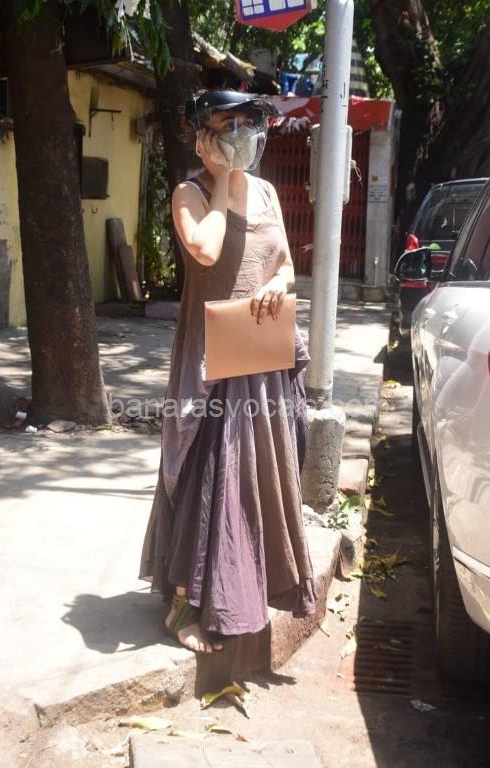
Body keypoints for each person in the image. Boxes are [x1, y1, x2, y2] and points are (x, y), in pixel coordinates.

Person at [139, 90, 316, 654]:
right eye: (227, 124)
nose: (240, 132)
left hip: (259, 355)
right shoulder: (189, 194)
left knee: (253, 479)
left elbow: (286, 265)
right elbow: (207, 251)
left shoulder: (267, 192)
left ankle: (238, 594)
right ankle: (183, 607)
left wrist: (275, 285)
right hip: (210, 362)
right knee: (206, 475)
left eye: (247, 123)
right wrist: (222, 179)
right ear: (202, 136)